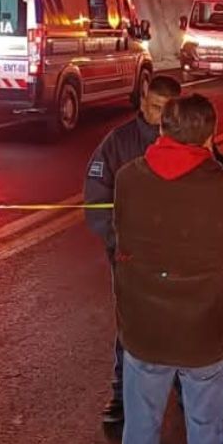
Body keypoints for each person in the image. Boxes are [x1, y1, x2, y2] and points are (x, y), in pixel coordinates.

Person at [114, 94, 223, 444]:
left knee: (141, 423)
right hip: (207, 330)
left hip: (145, 327)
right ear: (211, 136)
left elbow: (119, 231)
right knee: (207, 424)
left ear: (162, 129)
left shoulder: (128, 178)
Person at [84, 74, 182, 425]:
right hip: (132, 259)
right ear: (143, 102)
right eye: (156, 108)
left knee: (181, 321)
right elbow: (97, 199)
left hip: (177, 257)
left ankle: (184, 390)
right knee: (133, 327)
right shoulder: (119, 143)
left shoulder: (190, 142)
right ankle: (122, 395)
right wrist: (118, 245)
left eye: (169, 111)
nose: (161, 118)